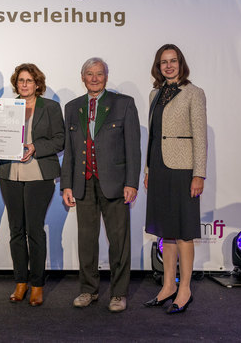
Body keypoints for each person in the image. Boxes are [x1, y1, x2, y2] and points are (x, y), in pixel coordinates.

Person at [60, 57, 141, 313]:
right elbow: (71, 151)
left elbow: (133, 149)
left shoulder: (123, 104)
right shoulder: (73, 107)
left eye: (100, 74)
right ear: (82, 77)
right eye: (89, 74)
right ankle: (88, 290)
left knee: (119, 241)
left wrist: (131, 182)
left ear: (106, 76)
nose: (94, 78)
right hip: (83, 184)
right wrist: (67, 185)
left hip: (115, 184)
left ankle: (118, 293)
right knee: (86, 241)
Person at [143, 44, 207, 314]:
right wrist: (147, 170)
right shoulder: (155, 94)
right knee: (165, 233)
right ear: (158, 66)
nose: (168, 66)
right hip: (158, 167)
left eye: (173, 61)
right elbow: (154, 135)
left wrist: (199, 174)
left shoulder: (194, 93)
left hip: (183, 169)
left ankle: (185, 289)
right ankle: (168, 285)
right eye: (163, 62)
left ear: (181, 63)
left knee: (183, 232)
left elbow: (200, 136)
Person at [0, 63, 64, 306]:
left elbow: (60, 140)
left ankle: (37, 284)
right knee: (16, 231)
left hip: (39, 174)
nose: (24, 84)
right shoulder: (5, 107)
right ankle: (20, 282)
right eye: (21, 80)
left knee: (34, 231)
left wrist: (36, 147)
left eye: (29, 80)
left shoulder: (51, 107)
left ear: (38, 84)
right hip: (10, 173)